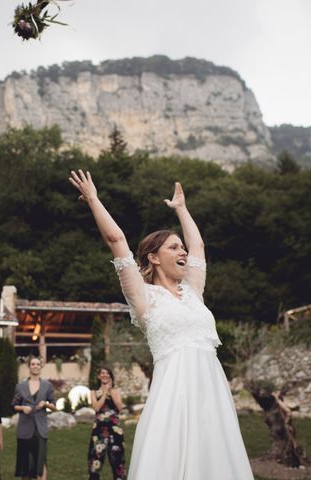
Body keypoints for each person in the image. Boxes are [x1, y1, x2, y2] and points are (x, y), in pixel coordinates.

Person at [69, 171, 254, 480]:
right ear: (153, 258)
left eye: (181, 248)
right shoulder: (144, 297)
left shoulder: (193, 290)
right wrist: (93, 199)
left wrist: (181, 209)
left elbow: (199, 247)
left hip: (211, 394)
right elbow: (116, 240)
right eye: (173, 248)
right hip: (173, 395)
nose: (183, 252)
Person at [12, 355, 56, 480]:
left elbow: (54, 406)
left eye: (38, 364)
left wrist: (46, 404)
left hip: (40, 429)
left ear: (41, 366)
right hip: (24, 428)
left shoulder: (47, 385)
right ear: (29, 367)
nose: (35, 366)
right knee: (25, 463)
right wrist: (22, 408)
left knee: (41, 460)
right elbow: (14, 405)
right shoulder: (20, 386)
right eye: (33, 364)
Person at [88, 366, 126, 480]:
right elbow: (96, 407)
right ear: (99, 376)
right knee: (95, 458)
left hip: (115, 429)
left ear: (110, 376)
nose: (104, 375)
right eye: (102, 373)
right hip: (99, 430)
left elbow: (120, 407)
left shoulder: (116, 391)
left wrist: (111, 392)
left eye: (107, 373)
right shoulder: (93, 392)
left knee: (118, 460)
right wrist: (104, 394)